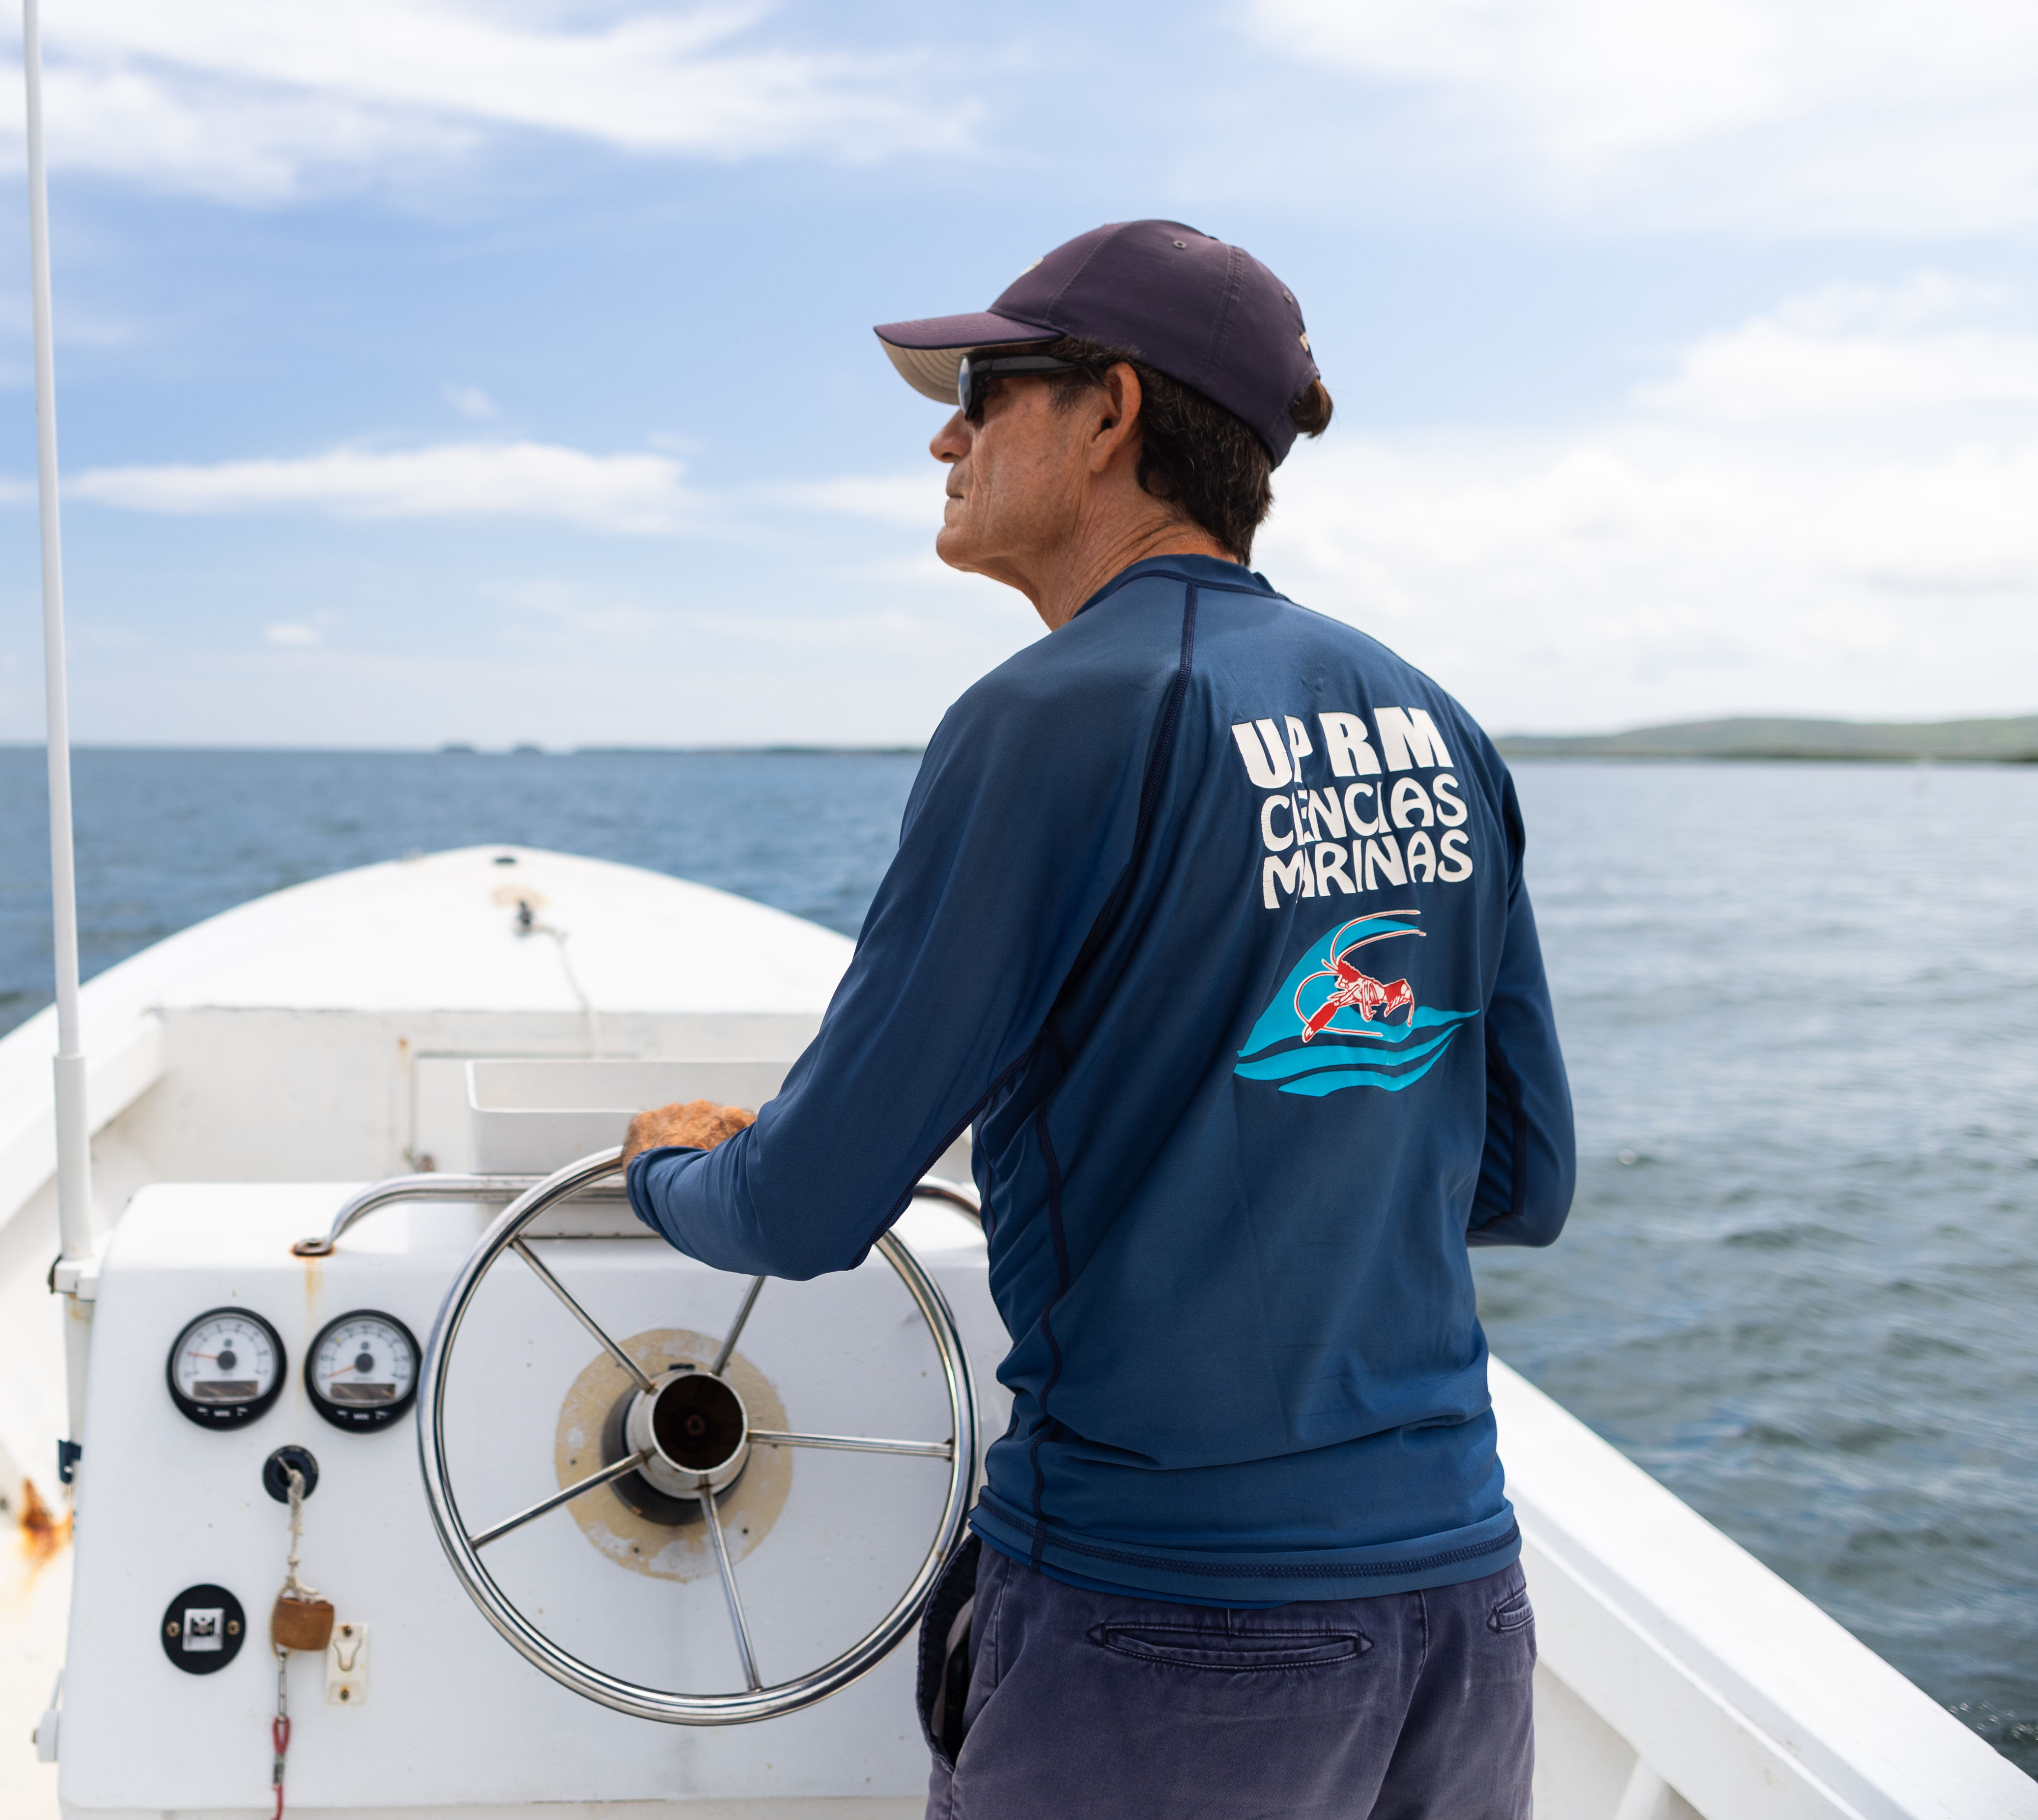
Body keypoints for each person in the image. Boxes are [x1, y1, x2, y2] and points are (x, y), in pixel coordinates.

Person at [618, 220, 1576, 1820]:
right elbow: (1519, 1180)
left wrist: (665, 1168)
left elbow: (799, 1207)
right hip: (1459, 1618)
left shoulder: (1053, 716)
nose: (947, 431)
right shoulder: (1436, 721)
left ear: (1112, 411)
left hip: (1174, 1625)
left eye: (986, 390)